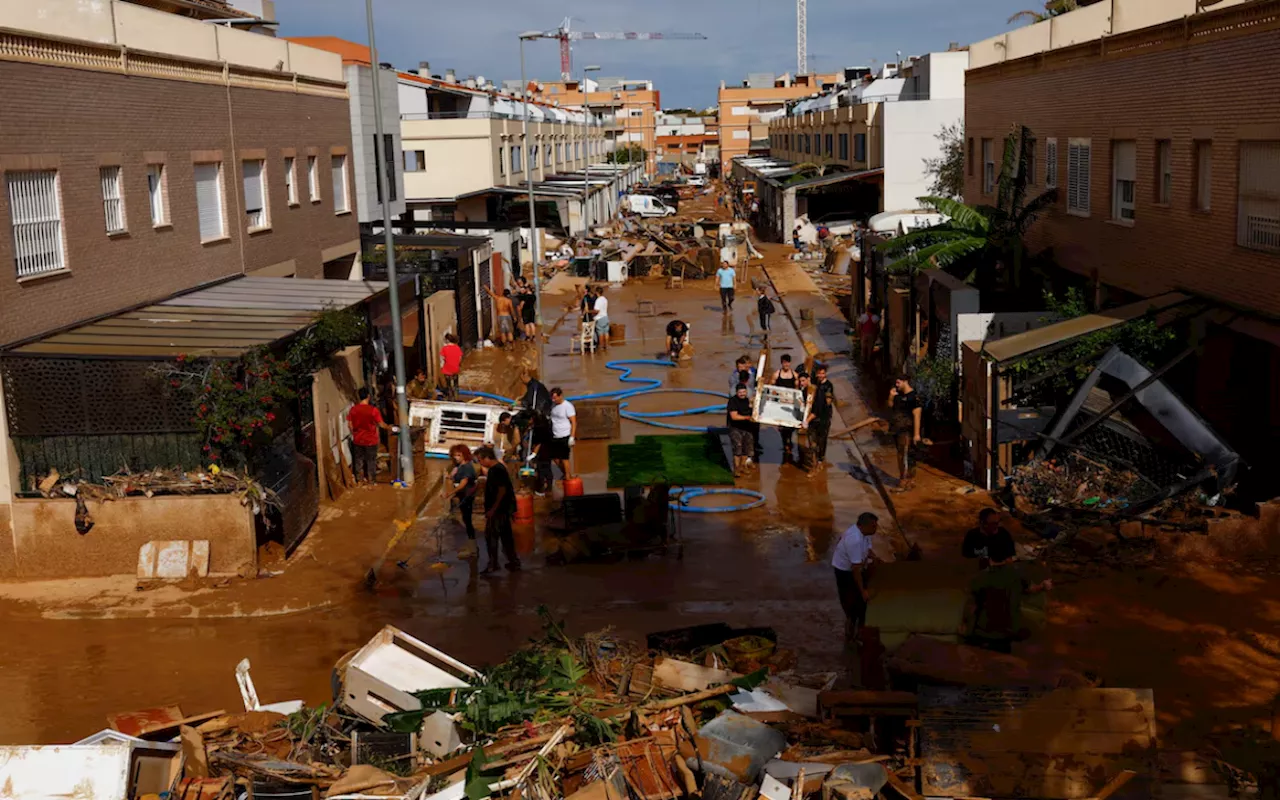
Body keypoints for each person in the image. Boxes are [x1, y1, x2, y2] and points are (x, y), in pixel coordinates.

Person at [964, 537, 1052, 653]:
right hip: (1007, 634)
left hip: (982, 632)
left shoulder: (979, 578)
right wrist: (1043, 586)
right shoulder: (1018, 575)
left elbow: (971, 606)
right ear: (1009, 557)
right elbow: (1029, 589)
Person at [832, 512, 879, 638]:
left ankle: (859, 623)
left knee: (860, 601)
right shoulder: (854, 540)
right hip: (844, 570)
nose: (876, 529)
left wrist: (874, 557)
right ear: (863, 526)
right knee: (850, 598)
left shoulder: (866, 534)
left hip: (856, 565)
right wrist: (862, 590)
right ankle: (851, 623)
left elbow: (867, 549)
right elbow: (856, 569)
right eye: (873, 526)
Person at [475, 446, 520, 574]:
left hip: (499, 509)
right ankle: (513, 562)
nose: (480, 463)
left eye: (480, 460)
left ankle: (493, 564)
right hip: (504, 508)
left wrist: (492, 509)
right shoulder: (497, 469)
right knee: (506, 536)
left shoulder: (496, 470)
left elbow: (502, 490)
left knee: (491, 536)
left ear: (487, 458)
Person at [347, 387, 396, 486]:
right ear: (368, 397)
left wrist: (355, 433)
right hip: (371, 440)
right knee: (371, 461)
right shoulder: (373, 410)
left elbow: (350, 425)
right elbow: (381, 424)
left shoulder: (353, 410)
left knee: (358, 460)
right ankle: (372, 481)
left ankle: (359, 480)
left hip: (358, 440)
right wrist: (389, 427)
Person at [888, 375, 922, 489]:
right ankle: (906, 479)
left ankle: (906, 480)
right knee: (900, 454)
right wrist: (891, 397)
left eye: (898, 383)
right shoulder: (897, 395)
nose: (896, 385)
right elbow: (890, 407)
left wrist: (917, 434)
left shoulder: (913, 397)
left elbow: (917, 415)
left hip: (907, 430)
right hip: (896, 429)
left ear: (905, 382)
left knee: (905, 455)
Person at [447, 444, 479, 549]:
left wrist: (450, 493)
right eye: (455, 455)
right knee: (465, 518)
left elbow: (462, 484)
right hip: (462, 495)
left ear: (464, 455)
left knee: (467, 519)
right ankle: (471, 543)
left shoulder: (467, 468)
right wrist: (451, 475)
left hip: (467, 495)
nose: (456, 457)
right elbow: (453, 477)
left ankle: (472, 544)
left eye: (459, 455)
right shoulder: (459, 466)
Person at [805, 364, 836, 471]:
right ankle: (815, 464)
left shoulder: (829, 386)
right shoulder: (815, 383)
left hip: (823, 418)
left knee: (821, 441)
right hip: (814, 417)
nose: (821, 375)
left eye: (823, 373)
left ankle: (819, 461)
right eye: (819, 373)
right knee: (812, 442)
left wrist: (827, 401)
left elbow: (826, 402)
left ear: (825, 374)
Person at [772, 354, 800, 463]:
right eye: (784, 362)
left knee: (791, 426)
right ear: (781, 363)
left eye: (788, 362)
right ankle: (786, 445)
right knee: (782, 427)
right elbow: (771, 389)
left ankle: (789, 442)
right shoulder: (776, 374)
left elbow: (798, 390)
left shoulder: (795, 375)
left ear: (790, 363)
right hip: (780, 405)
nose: (786, 364)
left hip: (792, 405)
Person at [726, 382, 756, 478]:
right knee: (738, 448)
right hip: (735, 428)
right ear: (736, 392)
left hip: (747, 428)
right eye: (740, 392)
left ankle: (743, 466)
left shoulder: (748, 401)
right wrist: (747, 418)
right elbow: (734, 416)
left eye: (744, 392)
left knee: (747, 449)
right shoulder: (732, 401)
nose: (742, 394)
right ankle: (736, 468)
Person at [548, 388, 577, 484]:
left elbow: (573, 422)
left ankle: (568, 477)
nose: (553, 400)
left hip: (565, 435)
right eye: (552, 398)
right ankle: (565, 472)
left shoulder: (567, 406)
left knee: (564, 458)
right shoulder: (552, 405)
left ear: (560, 396)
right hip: (555, 435)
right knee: (555, 457)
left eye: (555, 398)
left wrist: (572, 437)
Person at [439, 333, 463, 400]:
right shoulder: (457, 348)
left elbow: (442, 359)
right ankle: (456, 397)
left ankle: (450, 398)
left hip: (447, 370)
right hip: (455, 369)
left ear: (447, 340)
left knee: (449, 385)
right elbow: (460, 359)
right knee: (456, 385)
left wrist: (442, 367)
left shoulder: (444, 348)